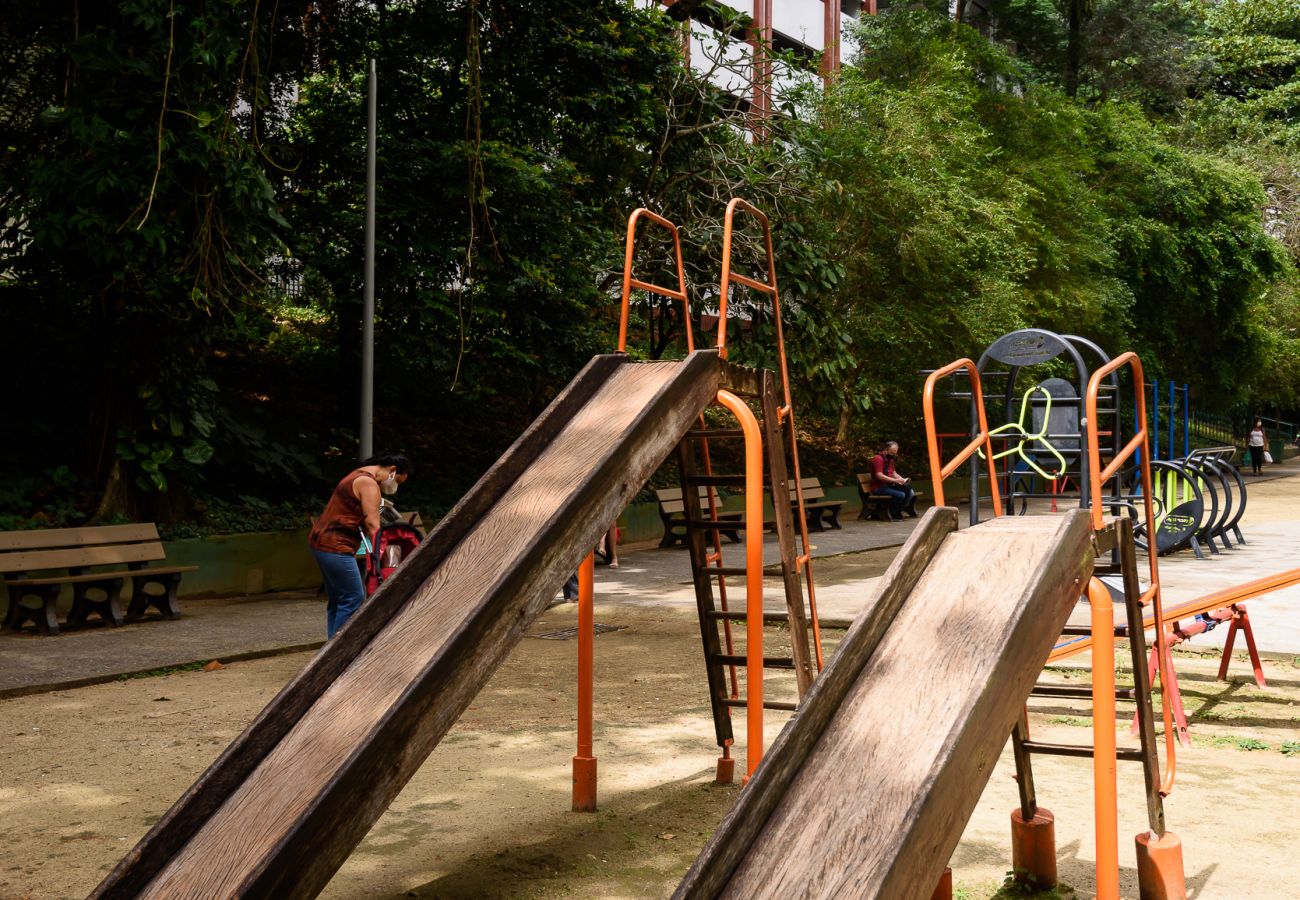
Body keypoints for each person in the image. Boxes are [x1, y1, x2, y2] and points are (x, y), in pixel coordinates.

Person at [309, 453, 412, 638]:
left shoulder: (357, 475)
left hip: (322, 543)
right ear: (392, 470)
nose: (395, 486)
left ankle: (330, 649)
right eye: (397, 480)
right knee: (353, 598)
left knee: (338, 600)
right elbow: (373, 525)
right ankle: (339, 651)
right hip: (336, 546)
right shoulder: (368, 483)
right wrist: (386, 556)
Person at [869, 440, 916, 521]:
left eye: (895, 453)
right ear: (885, 450)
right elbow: (879, 475)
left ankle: (898, 511)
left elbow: (894, 472)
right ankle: (892, 513)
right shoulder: (878, 459)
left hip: (889, 485)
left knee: (910, 492)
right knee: (900, 495)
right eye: (891, 453)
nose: (893, 455)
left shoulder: (890, 460)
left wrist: (902, 479)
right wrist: (894, 481)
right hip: (879, 487)